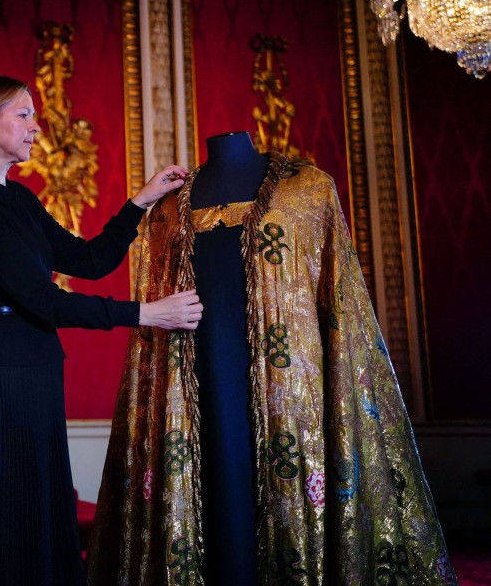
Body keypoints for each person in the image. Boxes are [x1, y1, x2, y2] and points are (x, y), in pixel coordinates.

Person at [87, 132, 455, 585]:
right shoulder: (168, 204)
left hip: (287, 386)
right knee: (214, 488)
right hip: (193, 377)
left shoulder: (309, 189)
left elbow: (337, 298)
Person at [0, 74, 203, 585]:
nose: (36, 128)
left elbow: (90, 259)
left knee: (38, 504)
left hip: (36, 363)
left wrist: (141, 201)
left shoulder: (21, 201)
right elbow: (43, 299)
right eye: (24, 114)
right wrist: (145, 314)